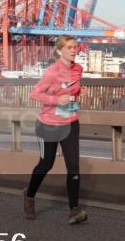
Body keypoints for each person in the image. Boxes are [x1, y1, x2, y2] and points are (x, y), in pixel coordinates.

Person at [24, 35, 87, 225]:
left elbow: (72, 89)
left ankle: (74, 210)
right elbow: (34, 94)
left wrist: (76, 94)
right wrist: (56, 100)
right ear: (60, 51)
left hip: (70, 122)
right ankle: (29, 197)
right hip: (48, 124)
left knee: (74, 166)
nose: (73, 50)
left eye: (75, 47)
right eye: (69, 47)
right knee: (46, 164)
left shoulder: (78, 69)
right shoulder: (52, 71)